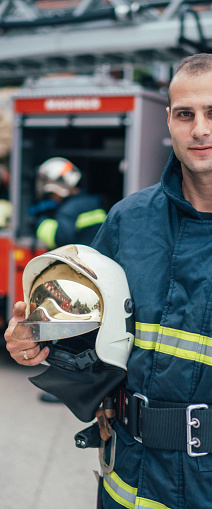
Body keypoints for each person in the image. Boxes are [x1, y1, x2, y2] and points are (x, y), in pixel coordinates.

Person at [5, 54, 212, 509]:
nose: (200, 128)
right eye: (186, 114)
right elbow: (90, 346)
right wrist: (39, 341)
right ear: (169, 121)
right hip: (132, 489)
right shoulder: (127, 223)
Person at [29, 156, 107, 403]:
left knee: (71, 336)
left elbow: (57, 237)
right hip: (93, 273)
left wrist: (41, 221)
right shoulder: (88, 201)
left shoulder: (70, 207)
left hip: (79, 278)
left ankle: (70, 390)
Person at [29, 157, 107, 250]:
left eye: (51, 194)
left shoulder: (68, 210)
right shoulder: (90, 202)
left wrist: (41, 221)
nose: (51, 197)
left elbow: (60, 240)